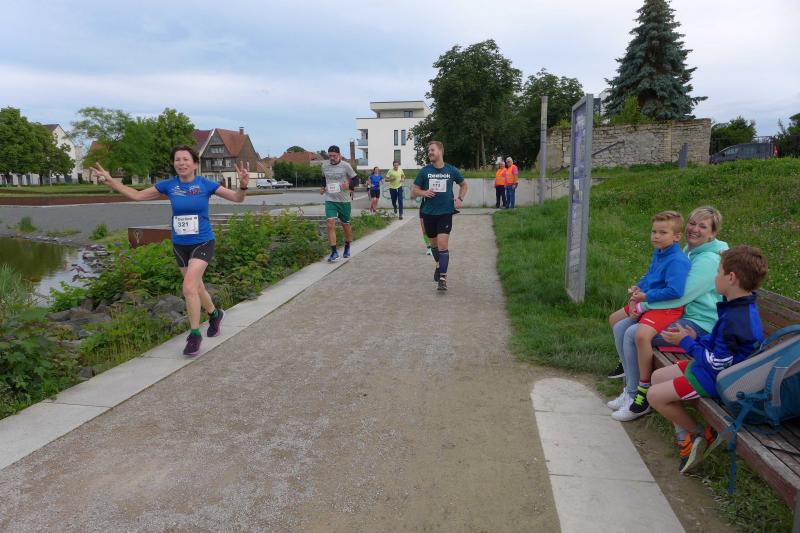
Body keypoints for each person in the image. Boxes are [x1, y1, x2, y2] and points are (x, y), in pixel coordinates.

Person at [91, 145, 249, 357]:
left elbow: (237, 198)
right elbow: (137, 196)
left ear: (195, 164)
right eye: (177, 160)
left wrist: (243, 186)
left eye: (185, 159)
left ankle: (194, 335)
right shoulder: (169, 185)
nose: (181, 163)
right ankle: (214, 314)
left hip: (203, 242)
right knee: (197, 286)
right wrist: (112, 181)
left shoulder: (205, 184)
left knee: (188, 287)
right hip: (180, 244)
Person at [648, 245, 767, 473]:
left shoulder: (736, 318)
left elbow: (717, 363)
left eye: (718, 271)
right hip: (713, 369)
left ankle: (701, 433)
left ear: (731, 278)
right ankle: (686, 437)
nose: (715, 277)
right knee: (658, 377)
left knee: (654, 396)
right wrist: (696, 338)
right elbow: (721, 345)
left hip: (718, 380)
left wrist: (685, 342)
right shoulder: (738, 306)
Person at [607, 207, 728, 383]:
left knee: (633, 333)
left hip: (699, 321)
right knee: (619, 322)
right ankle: (628, 367)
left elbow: (681, 296)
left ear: (713, 233)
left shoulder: (708, 260)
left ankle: (638, 388)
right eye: (692, 223)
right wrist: (639, 291)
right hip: (677, 309)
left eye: (702, 226)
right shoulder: (689, 250)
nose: (694, 229)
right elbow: (657, 274)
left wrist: (642, 305)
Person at [607, 211, 691, 422]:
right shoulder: (660, 252)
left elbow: (676, 291)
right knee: (619, 325)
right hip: (653, 304)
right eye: (654, 231)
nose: (656, 236)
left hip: (667, 309)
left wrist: (645, 297)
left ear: (677, 237)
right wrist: (639, 287)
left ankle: (640, 393)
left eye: (663, 232)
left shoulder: (677, 260)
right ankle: (630, 388)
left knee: (638, 335)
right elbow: (651, 276)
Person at [412, 140, 468, 291]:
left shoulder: (451, 170)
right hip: (428, 213)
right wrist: (423, 192)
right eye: (428, 151)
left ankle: (443, 278)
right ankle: (438, 264)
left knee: (443, 245)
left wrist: (460, 198)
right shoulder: (424, 171)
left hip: (445, 212)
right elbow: (414, 192)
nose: (429, 153)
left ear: (440, 151)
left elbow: (464, 185)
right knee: (434, 246)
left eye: (432, 150)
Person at [320, 145, 356, 262]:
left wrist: (349, 185)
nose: (332, 158)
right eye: (330, 156)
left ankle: (347, 245)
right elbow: (323, 178)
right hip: (330, 199)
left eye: (334, 156)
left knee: (346, 225)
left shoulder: (346, 166)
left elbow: (356, 179)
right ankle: (334, 252)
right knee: (330, 224)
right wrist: (322, 187)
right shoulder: (324, 165)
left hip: (344, 200)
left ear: (339, 155)